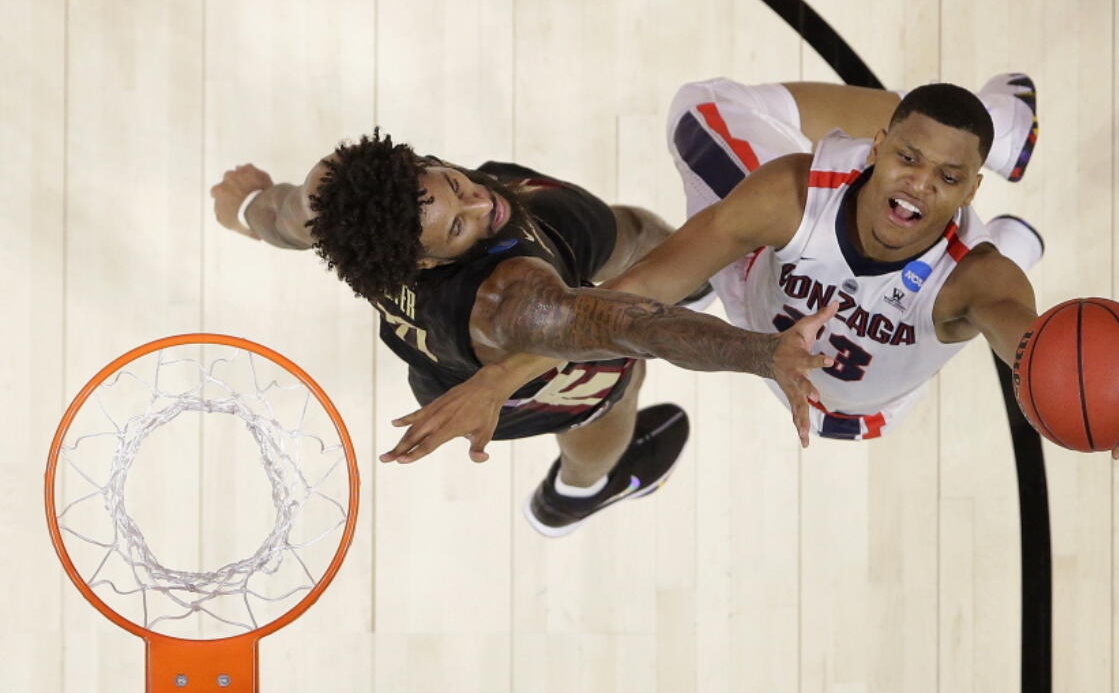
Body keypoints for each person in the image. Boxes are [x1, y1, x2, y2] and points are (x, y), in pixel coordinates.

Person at [389, 75, 1119, 461]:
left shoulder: (978, 281)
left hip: (835, 395)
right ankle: (989, 142)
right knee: (696, 145)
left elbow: (1028, 342)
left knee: (704, 111)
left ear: (965, 189)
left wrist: (1111, 393)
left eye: (947, 177)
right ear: (875, 152)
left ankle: (1006, 171)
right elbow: (633, 296)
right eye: (906, 159)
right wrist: (496, 379)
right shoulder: (792, 192)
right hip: (768, 305)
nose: (916, 184)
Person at [211, 139, 838, 537]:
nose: (482, 204)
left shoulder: (349, 196)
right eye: (458, 224)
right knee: (619, 385)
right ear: (425, 262)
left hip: (551, 250)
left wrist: (245, 209)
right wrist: (762, 353)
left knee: (630, 228)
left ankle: (684, 278)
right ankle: (579, 492)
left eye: (453, 184)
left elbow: (287, 214)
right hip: (527, 352)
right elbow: (637, 326)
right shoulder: (509, 303)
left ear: (411, 165)